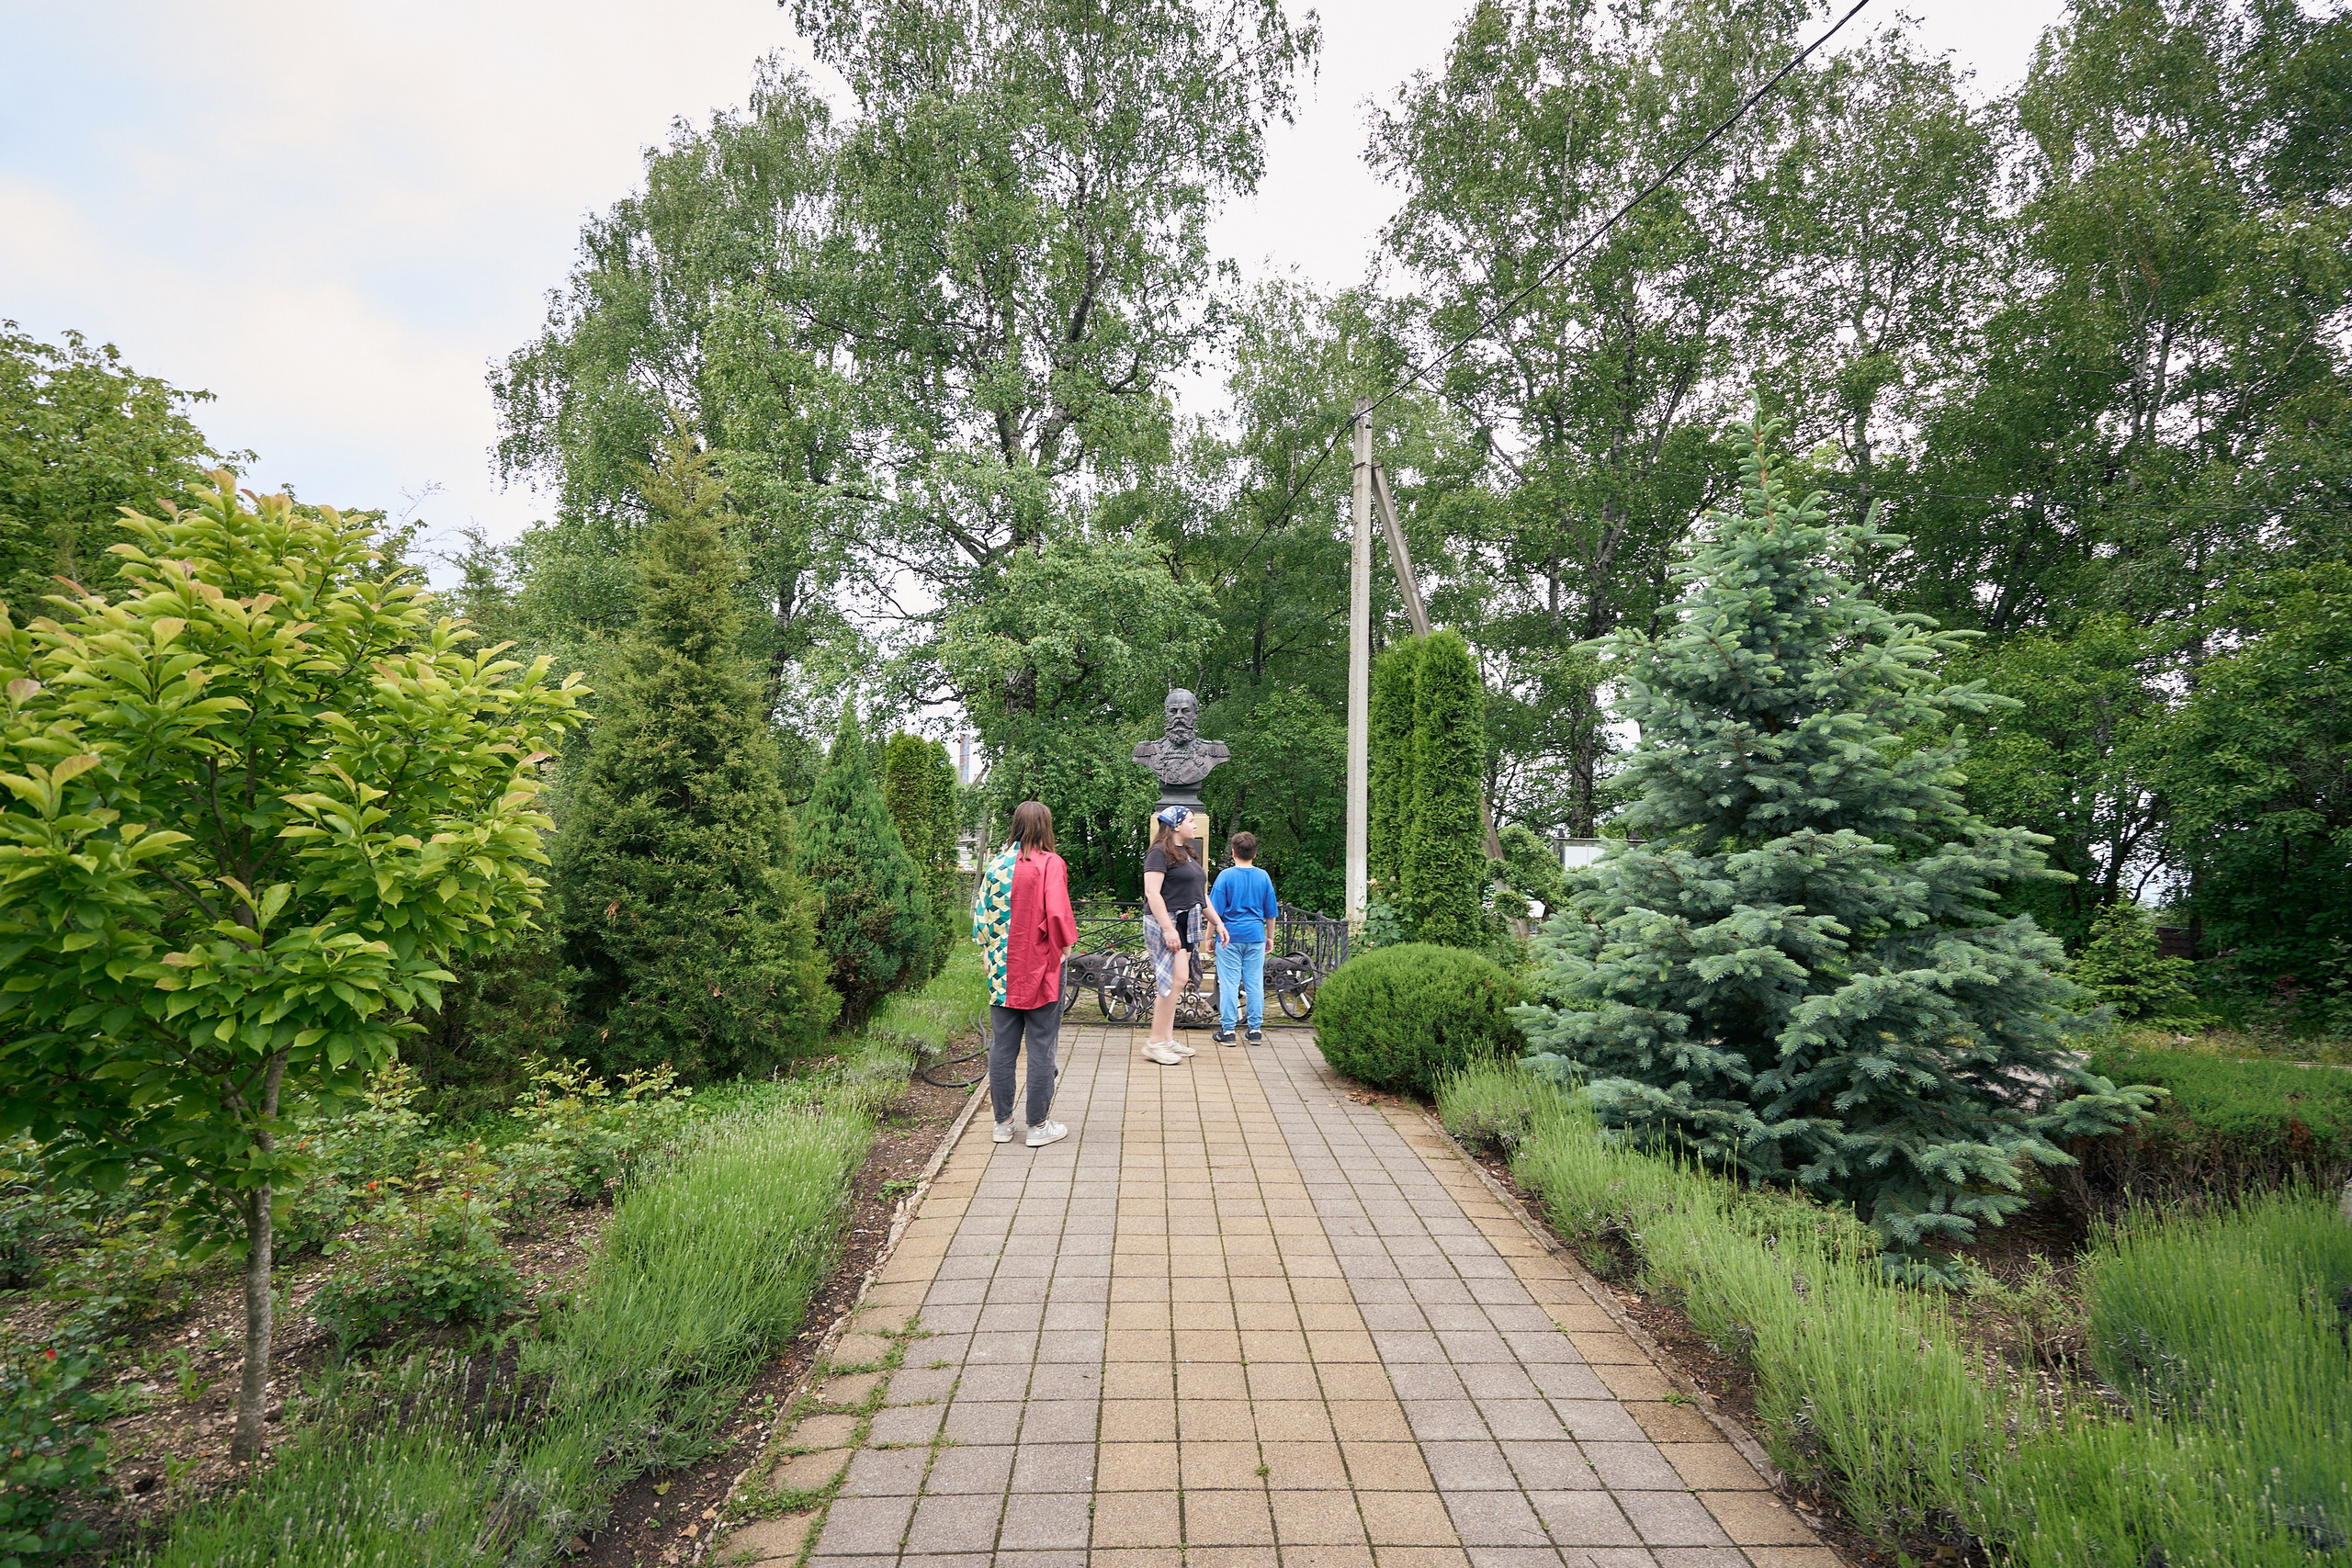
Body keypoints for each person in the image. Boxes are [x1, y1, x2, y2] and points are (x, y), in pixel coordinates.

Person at [971, 800, 1078, 1147]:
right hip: (1041, 968)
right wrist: (1065, 949)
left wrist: (988, 951)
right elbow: (1059, 913)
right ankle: (1038, 1126)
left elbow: (982, 914)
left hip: (1002, 969)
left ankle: (1002, 1124)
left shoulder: (997, 864)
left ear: (1015, 825)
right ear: (1045, 827)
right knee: (1042, 1045)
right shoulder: (1051, 864)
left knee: (1002, 1047)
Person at [1140, 805, 1225, 1066]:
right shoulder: (1158, 853)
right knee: (1170, 982)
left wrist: (1218, 923)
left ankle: (1165, 1039)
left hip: (1187, 921)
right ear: (1176, 825)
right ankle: (1154, 1043)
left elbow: (1201, 895)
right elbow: (1152, 894)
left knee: (1179, 980)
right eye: (1190, 820)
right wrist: (1167, 928)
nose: (1195, 824)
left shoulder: (1186, 854)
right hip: (1168, 922)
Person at [1209, 830, 1279, 1045]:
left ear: (1233, 853)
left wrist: (1209, 937)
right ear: (1255, 854)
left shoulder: (1226, 877)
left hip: (1229, 936)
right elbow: (1271, 912)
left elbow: (1214, 911)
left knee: (1229, 984)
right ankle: (1255, 1029)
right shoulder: (1263, 876)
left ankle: (1228, 1031)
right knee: (1254, 983)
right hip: (1255, 936)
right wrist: (1270, 937)